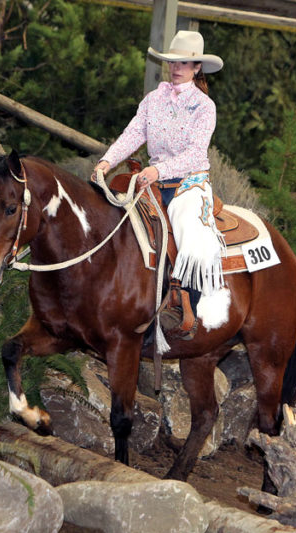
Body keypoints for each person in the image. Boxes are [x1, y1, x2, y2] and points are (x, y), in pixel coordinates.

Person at [92, 30, 226, 339]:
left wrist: (159, 170)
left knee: (189, 228)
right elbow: (133, 133)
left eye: (185, 63)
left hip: (188, 183)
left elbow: (196, 153)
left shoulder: (205, 108)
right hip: (151, 182)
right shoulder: (153, 99)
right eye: (173, 62)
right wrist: (106, 162)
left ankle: (184, 306)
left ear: (196, 68)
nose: (177, 68)